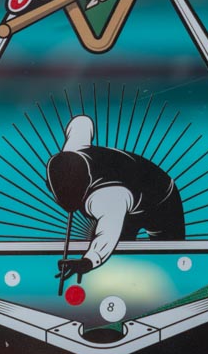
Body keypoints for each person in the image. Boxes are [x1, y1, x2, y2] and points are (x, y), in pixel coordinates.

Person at [45, 116, 185, 289]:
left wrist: (88, 261)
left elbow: (108, 234)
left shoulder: (105, 197)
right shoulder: (72, 151)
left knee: (171, 255)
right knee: (120, 258)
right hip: (132, 193)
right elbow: (82, 122)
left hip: (162, 200)